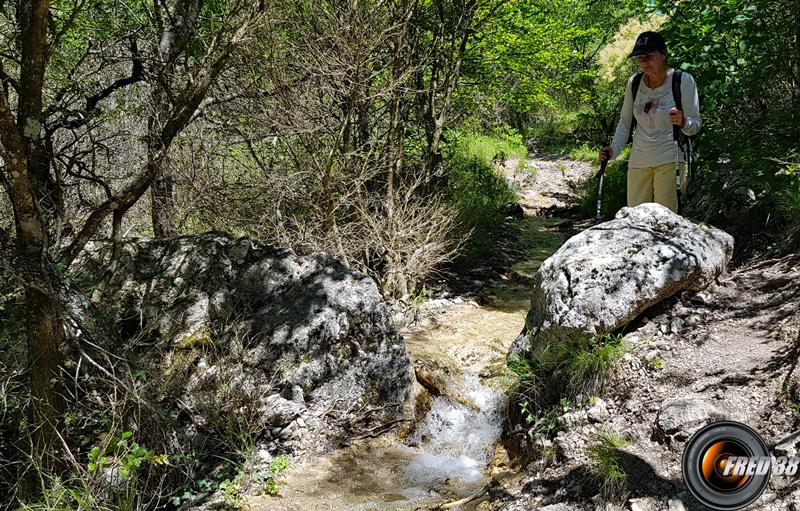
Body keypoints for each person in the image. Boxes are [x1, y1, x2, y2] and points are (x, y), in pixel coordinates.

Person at [599, 31, 702, 214]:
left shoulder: (683, 81)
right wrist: (613, 150)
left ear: (663, 55)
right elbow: (625, 123)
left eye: (649, 56)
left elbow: (695, 125)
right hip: (639, 161)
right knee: (635, 221)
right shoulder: (634, 83)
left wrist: (683, 121)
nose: (644, 62)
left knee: (664, 221)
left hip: (671, 159)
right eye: (639, 58)